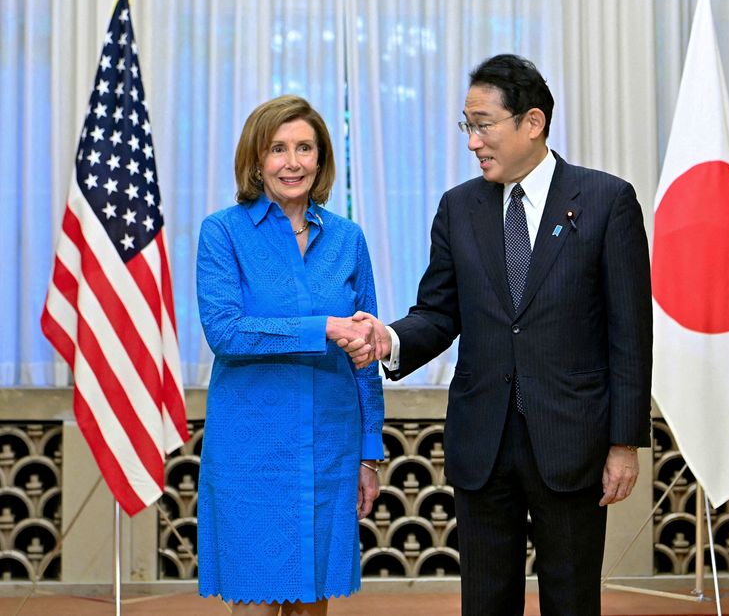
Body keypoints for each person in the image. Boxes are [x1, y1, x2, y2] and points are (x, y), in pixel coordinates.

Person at [343, 54, 652, 616]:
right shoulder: (459, 208)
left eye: (483, 124)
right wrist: (389, 337)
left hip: (572, 440)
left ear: (531, 123)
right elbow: (438, 313)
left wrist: (623, 443)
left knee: (572, 600)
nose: (472, 141)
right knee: (485, 603)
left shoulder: (607, 201)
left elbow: (630, 335)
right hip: (482, 439)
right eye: (468, 125)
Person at [196, 94, 384, 616]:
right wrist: (322, 326)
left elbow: (365, 351)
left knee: (312, 605)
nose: (293, 162)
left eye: (305, 148)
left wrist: (369, 454)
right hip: (251, 453)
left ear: (321, 159)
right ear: (257, 160)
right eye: (278, 149)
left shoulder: (349, 239)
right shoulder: (223, 232)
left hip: (331, 448)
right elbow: (226, 332)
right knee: (255, 603)